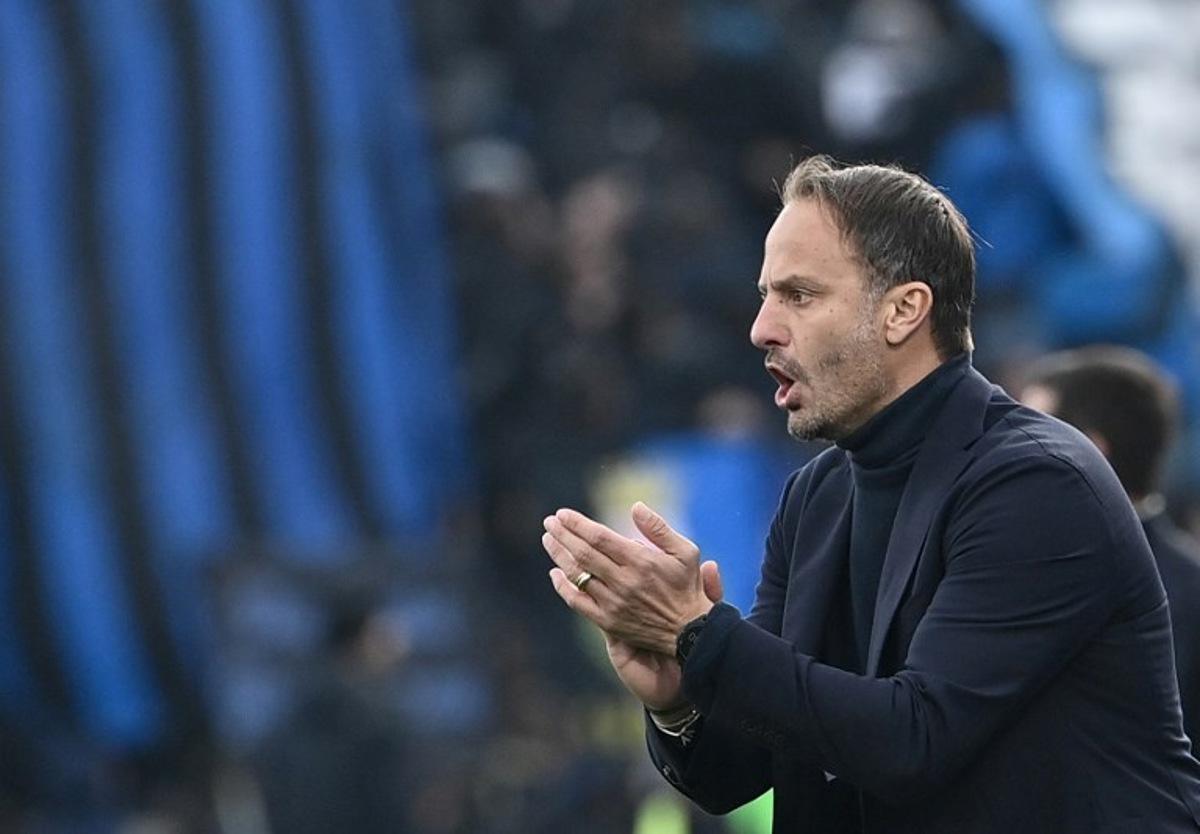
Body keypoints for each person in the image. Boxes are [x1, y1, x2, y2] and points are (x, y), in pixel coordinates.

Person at [540, 156, 1200, 832]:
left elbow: (914, 741)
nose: (761, 328)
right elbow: (744, 764)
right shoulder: (817, 497)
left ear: (903, 311)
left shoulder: (1037, 483)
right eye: (766, 295)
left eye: (799, 295)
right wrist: (678, 696)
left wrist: (700, 635)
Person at [1020, 345, 1200, 743]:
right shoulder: (997, 560)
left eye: (1028, 436)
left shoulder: (1187, 597)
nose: (1004, 454)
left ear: (1088, 451)